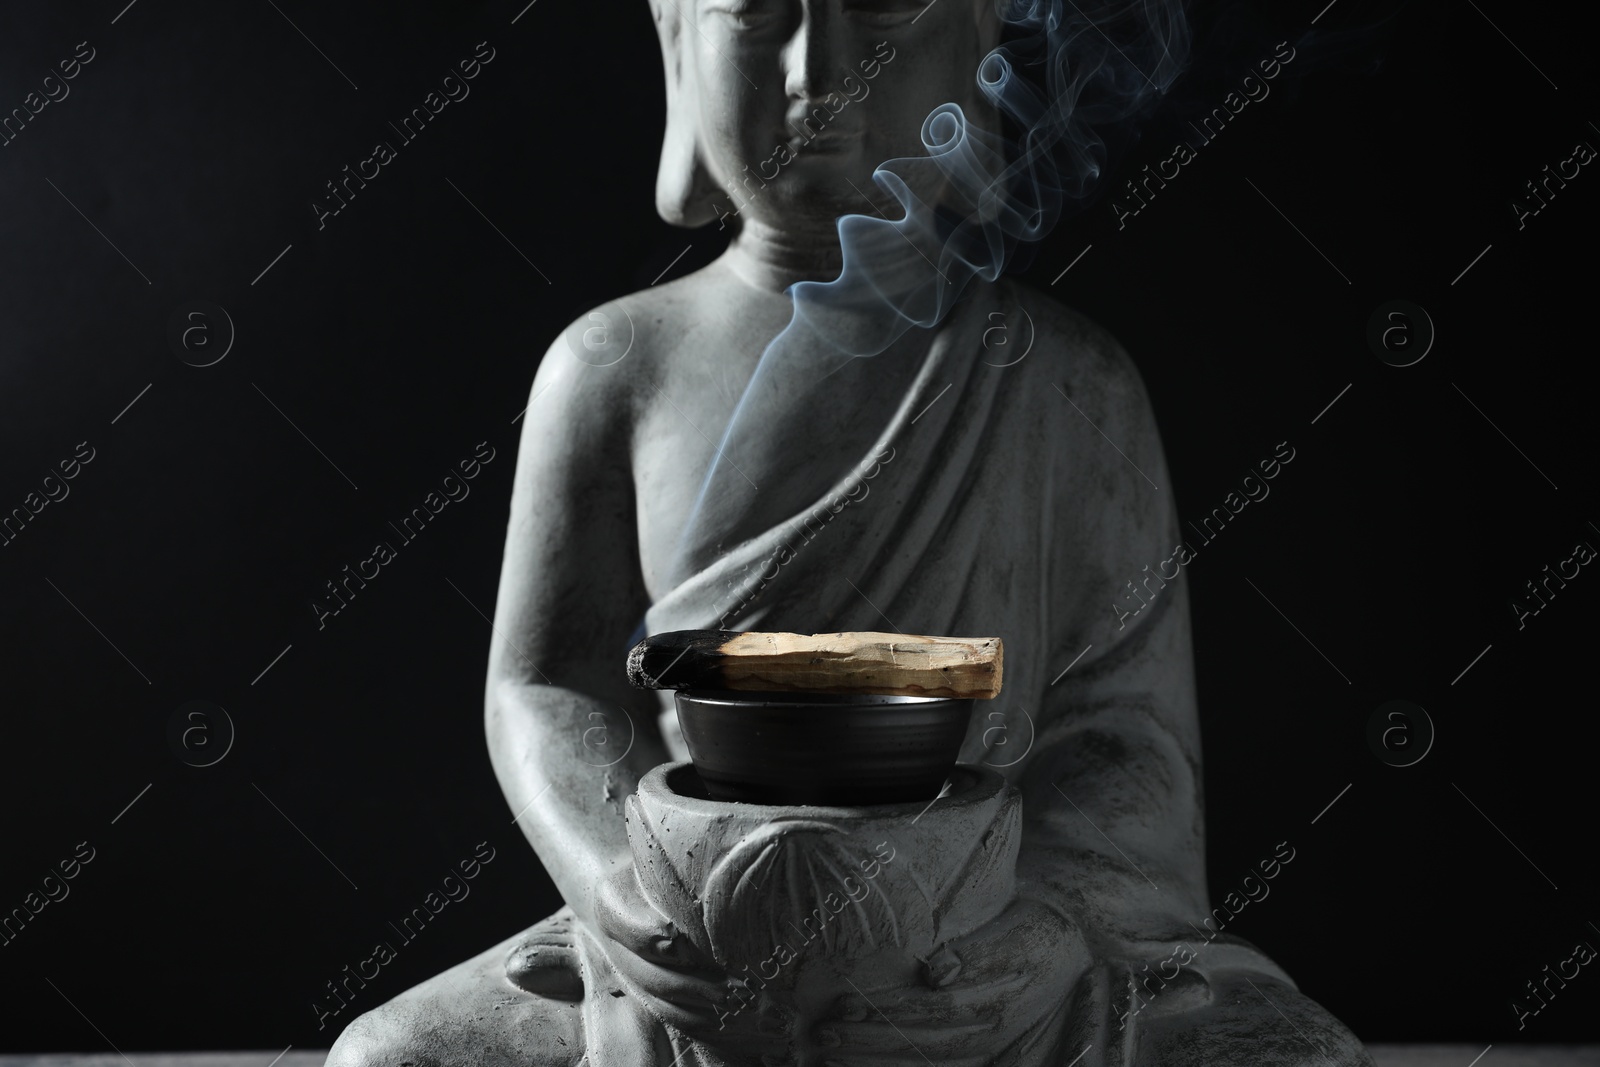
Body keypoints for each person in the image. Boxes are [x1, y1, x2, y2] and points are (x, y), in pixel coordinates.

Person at [327, 1, 1374, 1063]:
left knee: (1287, 1053)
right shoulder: (613, 367)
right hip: (693, 942)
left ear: (974, 43)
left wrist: (1048, 928)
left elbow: (1123, 739)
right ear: (677, 41)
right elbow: (547, 685)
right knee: (393, 1057)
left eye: (877, 11)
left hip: (982, 943)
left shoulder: (1068, 379)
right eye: (756, 13)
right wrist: (618, 889)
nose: (816, 69)